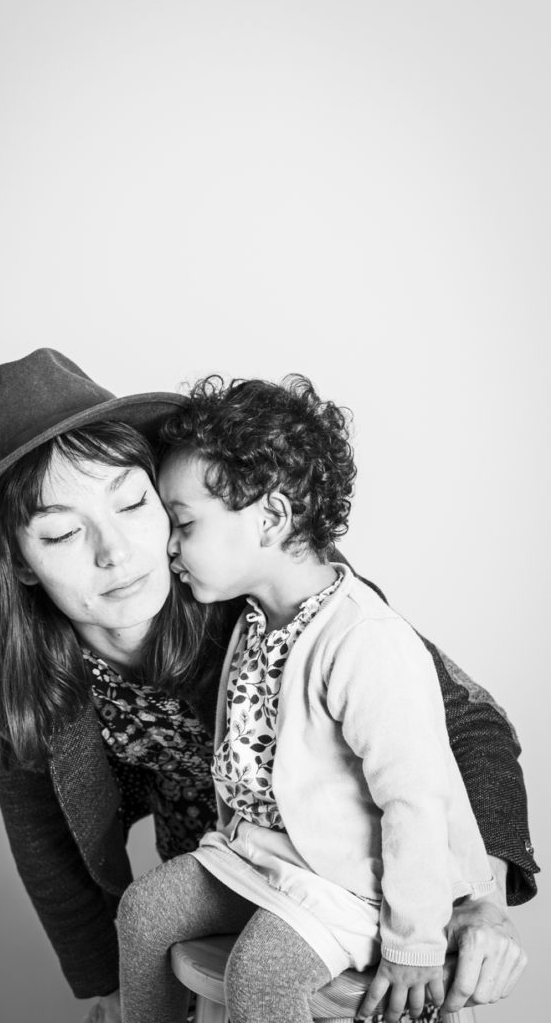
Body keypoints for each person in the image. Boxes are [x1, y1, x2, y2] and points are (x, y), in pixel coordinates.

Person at [0, 350, 537, 1023]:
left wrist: (474, 895)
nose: (115, 553)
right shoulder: (11, 650)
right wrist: (108, 987)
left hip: (344, 871)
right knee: (158, 937)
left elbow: (458, 723)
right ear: (17, 561)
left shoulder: (261, 578)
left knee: (263, 975)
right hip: (225, 860)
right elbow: (44, 839)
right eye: (61, 532)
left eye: (134, 503)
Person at [117, 374, 529, 1023]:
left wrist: (414, 943)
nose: (168, 546)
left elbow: (414, 801)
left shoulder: (365, 641)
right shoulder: (256, 621)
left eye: (185, 522)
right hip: (266, 855)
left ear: (272, 518)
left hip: (351, 886)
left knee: (261, 971)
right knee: (143, 912)